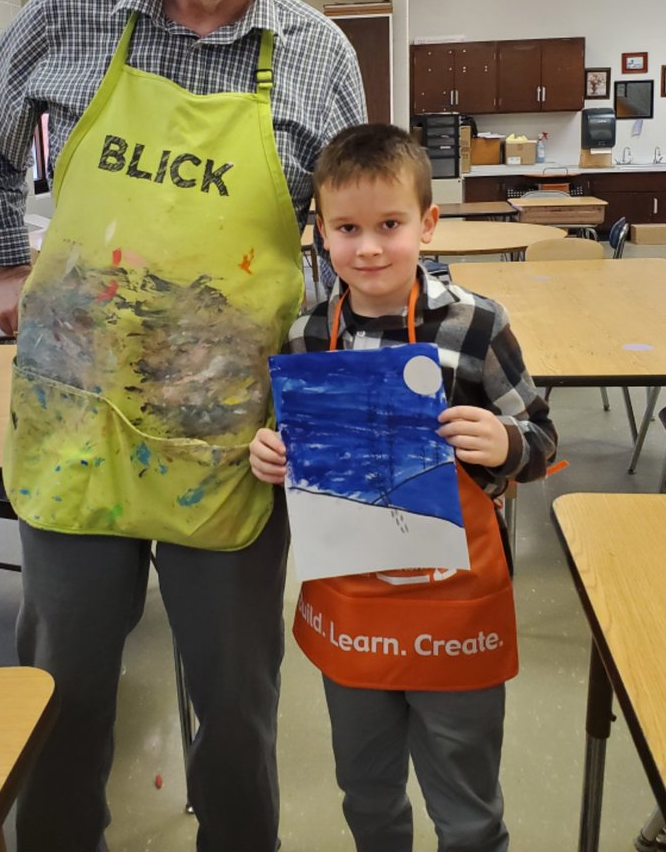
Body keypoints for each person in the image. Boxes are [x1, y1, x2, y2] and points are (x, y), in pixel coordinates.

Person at [0, 0, 366, 852]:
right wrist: (5, 261)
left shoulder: (318, 54)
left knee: (236, 714)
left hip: (233, 454)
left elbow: (353, 237)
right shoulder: (70, 12)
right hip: (72, 436)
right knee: (60, 703)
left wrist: (357, 393)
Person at [249, 123, 557, 852]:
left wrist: (506, 441)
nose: (369, 248)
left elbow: (542, 441)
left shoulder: (475, 325)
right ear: (320, 234)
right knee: (366, 790)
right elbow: (297, 456)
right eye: (347, 229)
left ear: (428, 223)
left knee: (467, 804)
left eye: (390, 225)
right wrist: (272, 455)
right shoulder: (306, 337)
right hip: (352, 607)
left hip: (456, 609)